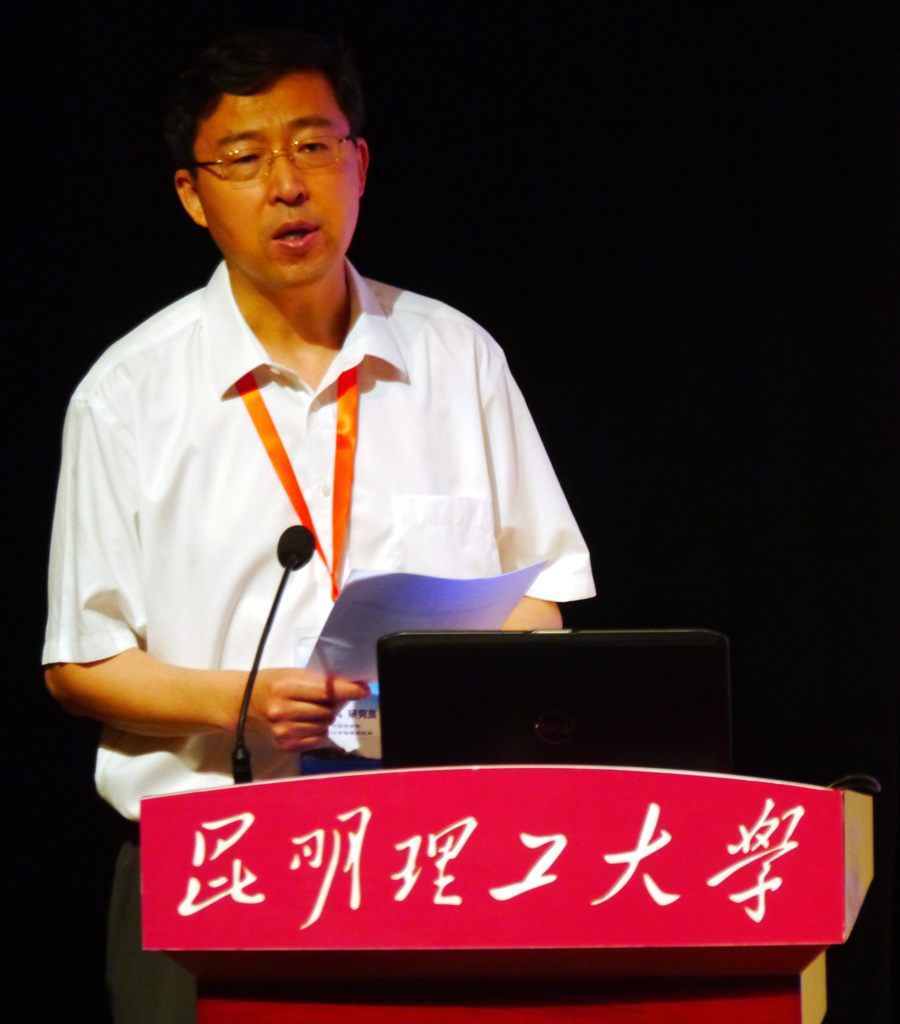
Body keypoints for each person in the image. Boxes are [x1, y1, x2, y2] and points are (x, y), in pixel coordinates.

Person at [42, 29, 595, 1023]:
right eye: (245, 158)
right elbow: (82, 664)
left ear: (360, 164)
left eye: (312, 146)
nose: (288, 185)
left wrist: (435, 688)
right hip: (214, 864)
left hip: (442, 853)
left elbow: (543, 598)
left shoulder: (457, 358)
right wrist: (243, 703)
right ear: (192, 194)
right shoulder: (125, 396)